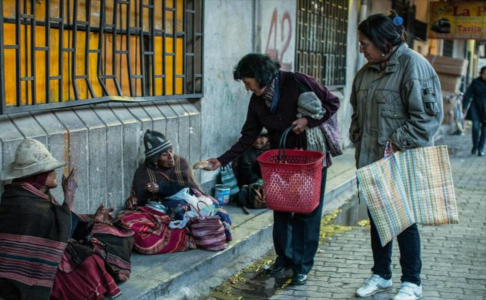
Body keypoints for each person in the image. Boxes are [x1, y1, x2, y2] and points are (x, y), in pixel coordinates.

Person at [205, 53, 340, 285]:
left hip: (310, 160)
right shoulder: (258, 100)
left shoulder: (297, 81)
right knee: (282, 211)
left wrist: (308, 121)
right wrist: (222, 159)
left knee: (307, 213)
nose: (247, 89)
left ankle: (302, 266)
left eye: (248, 83)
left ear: (260, 76)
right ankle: (284, 260)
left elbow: (332, 103)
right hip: (282, 162)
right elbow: (248, 136)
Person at [349, 11, 442, 300]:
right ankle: (381, 275)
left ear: (383, 42)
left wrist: (395, 141)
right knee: (378, 218)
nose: (361, 50)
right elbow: (357, 113)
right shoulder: (366, 72)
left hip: (402, 159)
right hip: (372, 160)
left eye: (365, 44)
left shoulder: (414, 66)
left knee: (403, 222)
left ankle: (412, 282)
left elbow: (428, 119)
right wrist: (357, 135)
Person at [0, 139, 133, 300]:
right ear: (38, 176)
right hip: (33, 269)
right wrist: (69, 197)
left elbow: (59, 225)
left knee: (112, 233)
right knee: (91, 261)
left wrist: (93, 220)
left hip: (50, 250)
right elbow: (61, 233)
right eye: (50, 170)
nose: (54, 173)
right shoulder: (22, 202)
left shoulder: (35, 194)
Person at [116, 130, 232, 254]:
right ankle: (194, 233)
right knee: (176, 211)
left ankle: (208, 229)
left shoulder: (180, 162)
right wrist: (134, 200)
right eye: (164, 155)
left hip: (190, 196)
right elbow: (142, 199)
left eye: (170, 151)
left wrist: (160, 189)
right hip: (165, 205)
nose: (170, 157)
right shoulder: (143, 172)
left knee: (215, 208)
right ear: (155, 159)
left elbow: (186, 185)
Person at [235, 129, 269, 210]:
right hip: (251, 183)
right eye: (255, 137)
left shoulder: (271, 150)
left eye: (261, 137)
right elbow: (246, 171)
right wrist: (258, 181)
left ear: (267, 138)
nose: (257, 140)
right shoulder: (246, 152)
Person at [462, 66, 486, 156]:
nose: (485, 75)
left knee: (484, 130)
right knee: (475, 128)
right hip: (476, 106)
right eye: (484, 73)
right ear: (481, 73)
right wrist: (464, 107)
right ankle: (475, 146)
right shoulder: (475, 82)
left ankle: (481, 148)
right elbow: (468, 94)